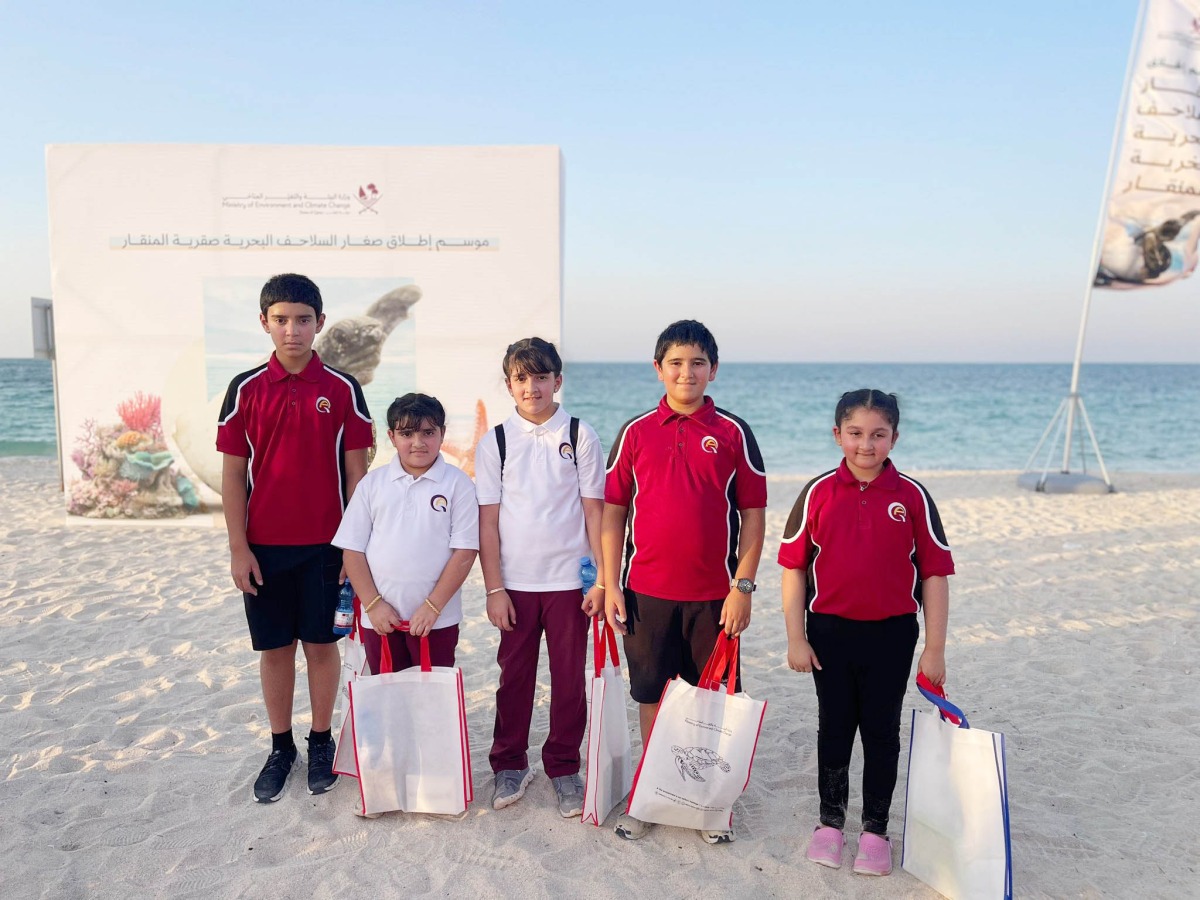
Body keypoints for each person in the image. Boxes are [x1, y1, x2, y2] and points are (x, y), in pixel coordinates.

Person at [602, 319, 767, 845]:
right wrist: (609, 585)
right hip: (645, 592)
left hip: (715, 598)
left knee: (709, 699)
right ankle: (651, 793)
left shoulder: (734, 432)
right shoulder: (635, 432)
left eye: (697, 363)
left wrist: (742, 587)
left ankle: (705, 803)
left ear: (712, 370)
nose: (686, 372)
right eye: (675, 362)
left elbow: (755, 516)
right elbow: (612, 514)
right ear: (658, 369)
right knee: (653, 695)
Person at [779, 389, 953, 877]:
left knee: (881, 732)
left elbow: (935, 576)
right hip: (829, 632)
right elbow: (793, 568)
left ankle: (875, 830)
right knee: (834, 728)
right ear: (838, 435)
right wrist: (796, 636)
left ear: (894, 437)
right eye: (855, 433)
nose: (866, 445)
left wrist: (933, 648)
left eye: (878, 435)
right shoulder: (817, 492)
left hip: (893, 635)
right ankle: (830, 823)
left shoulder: (912, 496)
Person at [217, 273, 373, 803]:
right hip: (264, 550)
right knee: (275, 648)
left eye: (303, 320)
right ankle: (281, 746)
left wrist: (354, 552)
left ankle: (321, 741)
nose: (292, 330)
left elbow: (358, 480)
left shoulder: (343, 389)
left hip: (326, 550)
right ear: (265, 323)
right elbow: (234, 476)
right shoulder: (244, 390)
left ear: (320, 324)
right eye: (281, 320)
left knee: (322, 645)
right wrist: (239, 547)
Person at [474, 338, 606, 818]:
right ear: (509, 385)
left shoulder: (579, 433)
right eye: (522, 378)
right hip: (516, 585)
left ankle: (564, 766)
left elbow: (595, 514)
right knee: (515, 678)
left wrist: (602, 580)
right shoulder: (497, 441)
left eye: (541, 376)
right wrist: (494, 588)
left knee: (570, 680)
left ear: (558, 380)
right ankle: (510, 763)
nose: (532, 386)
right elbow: (487, 522)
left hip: (570, 583)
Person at [333, 393, 479, 677]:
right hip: (380, 618)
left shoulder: (458, 484)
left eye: (428, 432)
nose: (418, 443)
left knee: (431, 702)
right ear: (391, 436)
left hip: (436, 619)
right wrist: (373, 604)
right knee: (387, 699)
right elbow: (352, 549)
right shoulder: (372, 485)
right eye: (407, 433)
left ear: (442, 433)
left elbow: (465, 551)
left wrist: (432, 607)